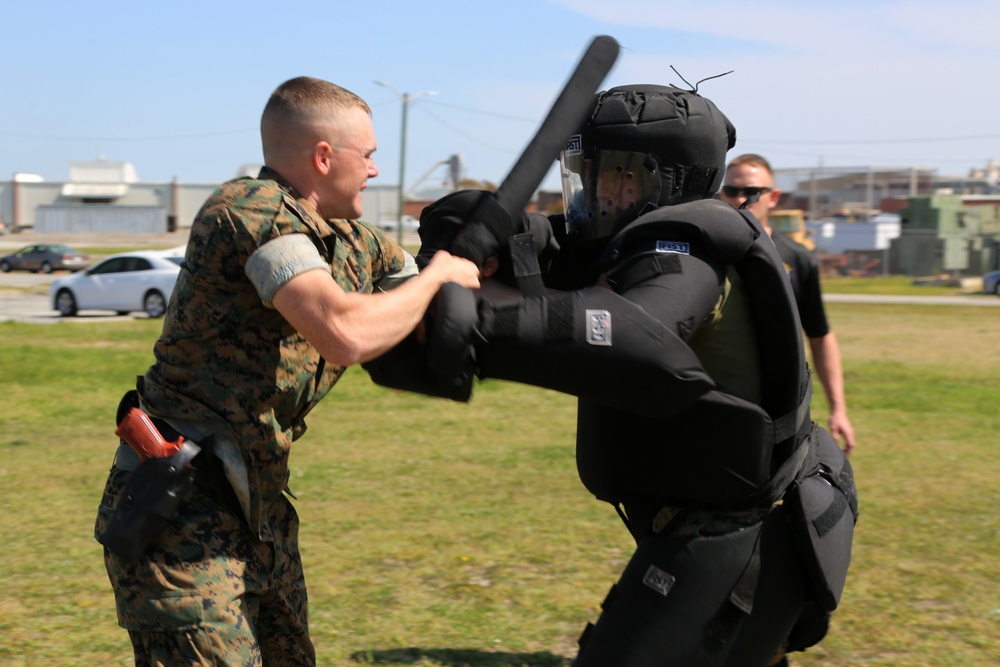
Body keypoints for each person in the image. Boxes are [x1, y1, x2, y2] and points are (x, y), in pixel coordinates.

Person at [379, 84, 857, 666]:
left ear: (651, 180)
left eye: (607, 174)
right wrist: (472, 225)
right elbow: (545, 244)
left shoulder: (687, 251)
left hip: (738, 536)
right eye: (581, 171)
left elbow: (636, 336)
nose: (592, 190)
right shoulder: (632, 242)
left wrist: (474, 331)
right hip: (719, 523)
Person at [93, 76, 480, 666]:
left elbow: (433, 302)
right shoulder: (249, 210)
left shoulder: (355, 243)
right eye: (368, 156)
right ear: (324, 157)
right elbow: (344, 331)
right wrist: (436, 278)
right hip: (181, 515)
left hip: (262, 512)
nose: (375, 171)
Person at [718, 154, 856, 455]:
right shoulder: (708, 253)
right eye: (731, 191)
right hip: (717, 400)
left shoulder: (797, 259)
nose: (741, 199)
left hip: (780, 407)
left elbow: (820, 335)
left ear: (774, 197)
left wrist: (838, 409)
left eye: (752, 192)